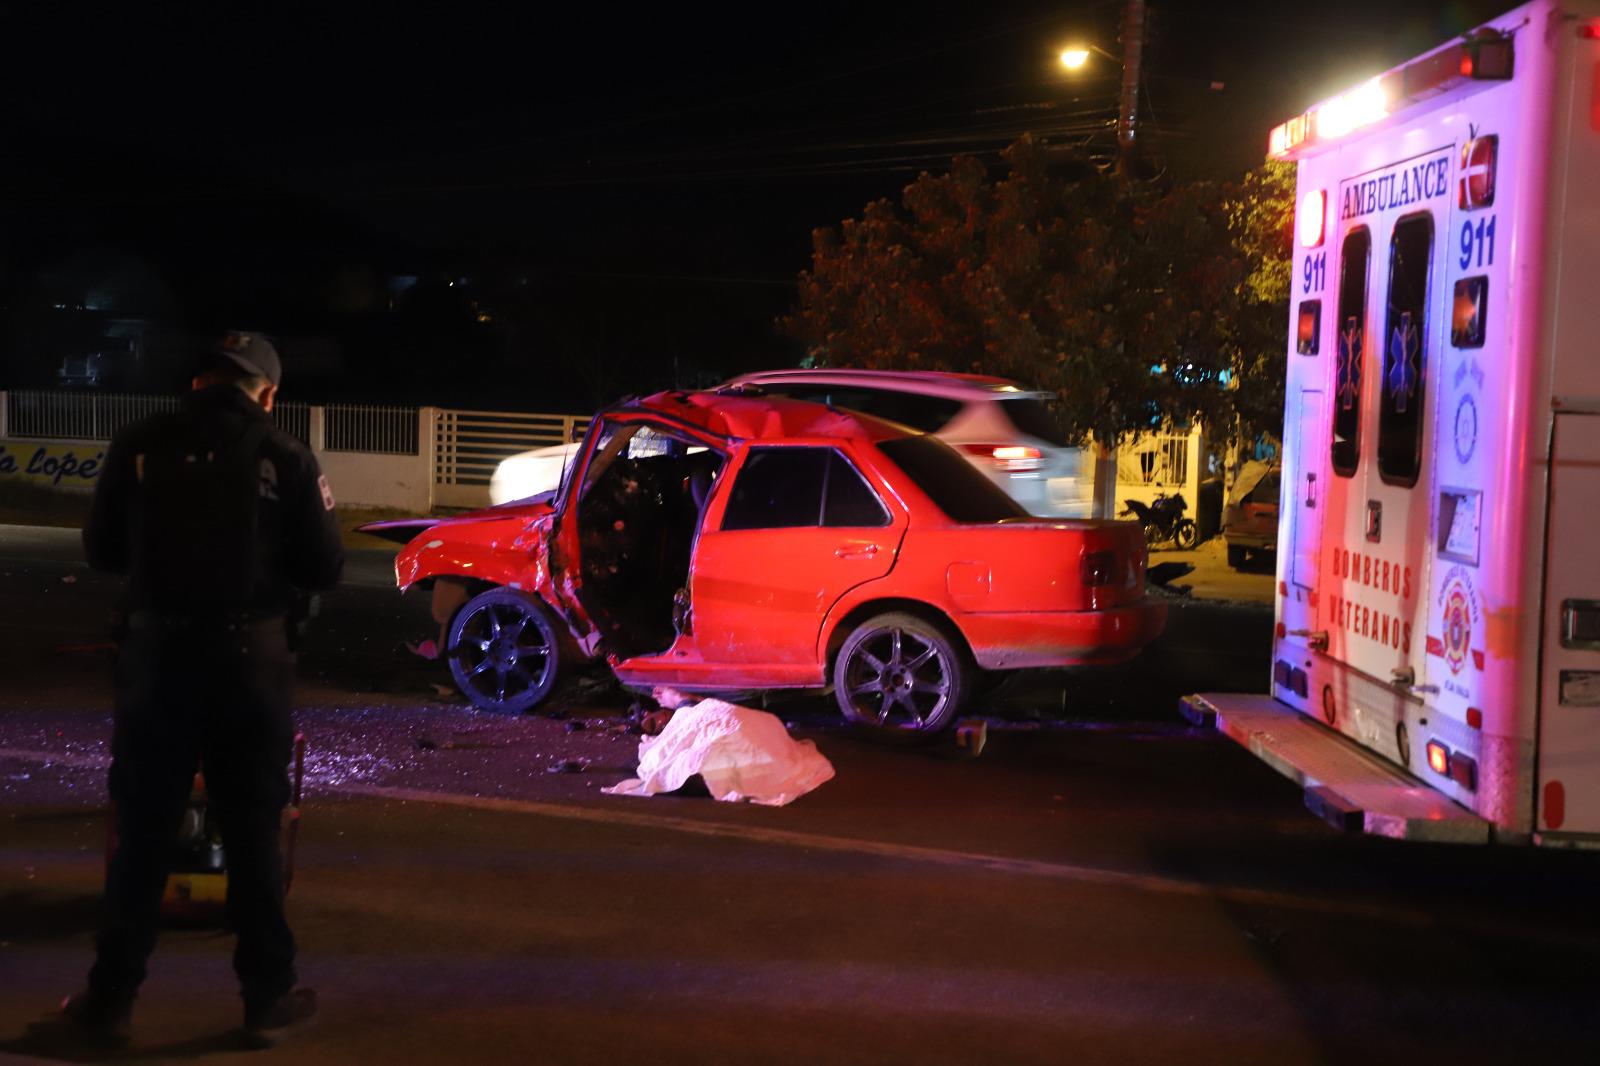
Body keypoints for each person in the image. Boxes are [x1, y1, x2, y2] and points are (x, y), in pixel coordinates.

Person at [63, 331, 343, 1049]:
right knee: (251, 832)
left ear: (199, 382)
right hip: (250, 663)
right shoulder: (284, 456)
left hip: (158, 662)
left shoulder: (139, 445)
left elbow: (102, 552)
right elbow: (323, 565)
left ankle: (109, 1003)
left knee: (144, 833)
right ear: (268, 393)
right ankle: (265, 998)